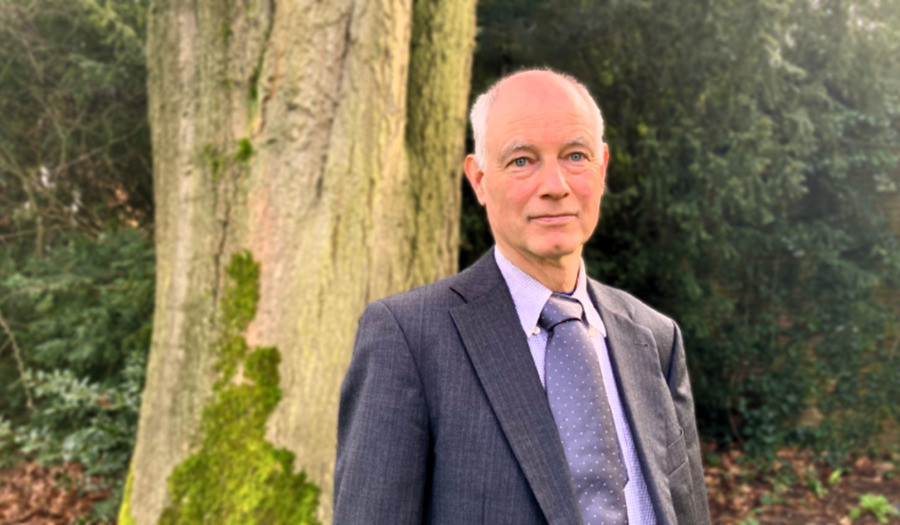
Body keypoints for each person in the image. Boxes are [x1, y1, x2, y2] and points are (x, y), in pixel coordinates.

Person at [333, 69, 710, 525]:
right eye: (522, 161)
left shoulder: (655, 338)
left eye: (576, 155)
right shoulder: (409, 340)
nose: (555, 185)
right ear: (479, 179)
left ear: (602, 167)